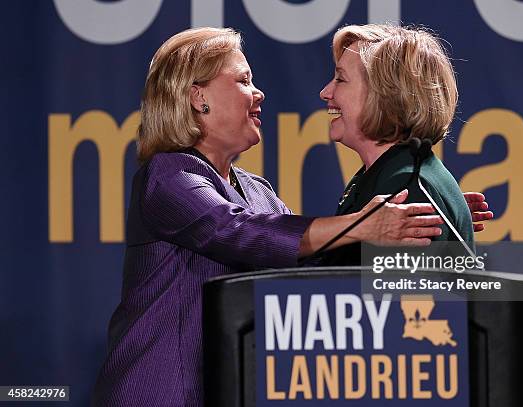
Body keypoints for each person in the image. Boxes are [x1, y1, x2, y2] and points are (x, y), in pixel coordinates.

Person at [91, 27, 451, 406]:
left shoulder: (259, 191)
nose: (259, 93)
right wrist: (364, 223)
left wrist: (425, 211)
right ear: (198, 97)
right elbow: (232, 229)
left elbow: (312, 267)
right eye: (244, 80)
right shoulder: (168, 176)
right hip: (162, 394)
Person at [319, 24, 493, 265]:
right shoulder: (384, 176)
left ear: (383, 96)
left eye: (341, 79)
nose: (326, 92)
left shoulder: (405, 188)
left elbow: (397, 301)